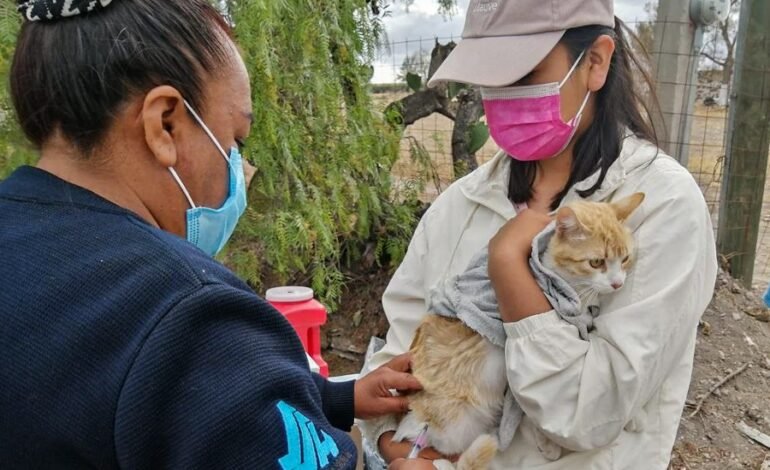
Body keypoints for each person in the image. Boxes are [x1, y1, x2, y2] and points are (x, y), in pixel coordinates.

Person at [0, 0, 423, 468]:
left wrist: (335, 399)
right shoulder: (186, 314)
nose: (239, 169)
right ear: (165, 124)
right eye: (235, 140)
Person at [360, 0, 718, 469]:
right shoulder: (461, 204)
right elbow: (394, 360)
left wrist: (510, 269)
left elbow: (588, 413)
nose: (502, 94)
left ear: (595, 62)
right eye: (490, 76)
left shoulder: (665, 207)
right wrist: (392, 445)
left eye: (524, 73)